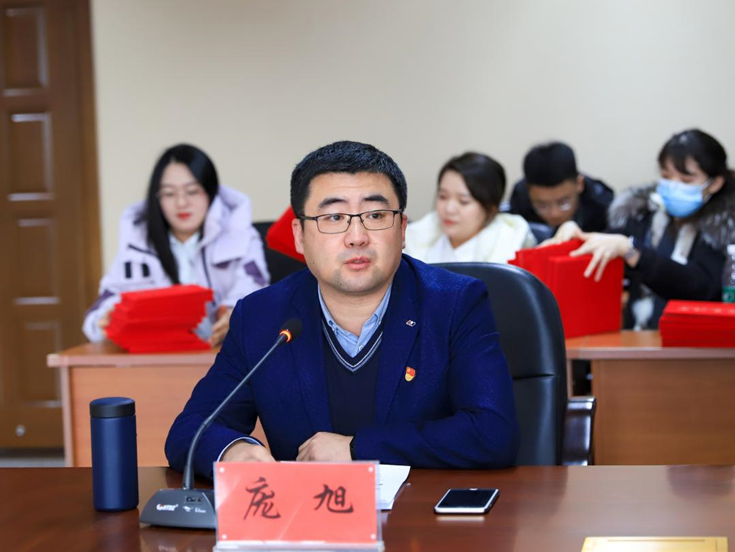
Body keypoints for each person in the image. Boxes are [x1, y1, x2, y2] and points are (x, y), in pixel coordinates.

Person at [166, 140, 519, 477]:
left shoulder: (456, 303)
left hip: (422, 515)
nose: (357, 236)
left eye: (376, 215)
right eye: (334, 217)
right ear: (299, 236)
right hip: (305, 515)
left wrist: (357, 448)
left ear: (402, 229)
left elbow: (493, 433)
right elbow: (190, 430)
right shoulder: (261, 317)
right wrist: (232, 450)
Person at [82, 144, 269, 346]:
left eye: (192, 191)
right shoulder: (137, 242)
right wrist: (107, 319)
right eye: (169, 193)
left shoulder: (240, 235)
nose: (181, 203)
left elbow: (255, 288)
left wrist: (235, 312)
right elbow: (100, 310)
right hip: (159, 357)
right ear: (157, 197)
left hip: (223, 353)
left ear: (211, 192)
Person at [550, 129, 735, 329]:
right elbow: (614, 240)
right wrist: (578, 235)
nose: (673, 186)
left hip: (697, 340)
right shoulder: (644, 211)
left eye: (686, 180)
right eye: (666, 176)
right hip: (639, 338)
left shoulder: (724, 227)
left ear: (715, 183)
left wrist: (633, 252)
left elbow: (702, 287)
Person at [404, 152, 536, 263]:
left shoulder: (508, 245)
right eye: (443, 197)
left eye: (463, 201)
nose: (449, 209)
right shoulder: (417, 239)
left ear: (491, 208)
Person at [509, 142, 614, 238]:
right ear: (528, 191)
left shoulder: (602, 206)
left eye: (563, 202)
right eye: (542, 205)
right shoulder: (519, 202)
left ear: (579, 184)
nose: (555, 214)